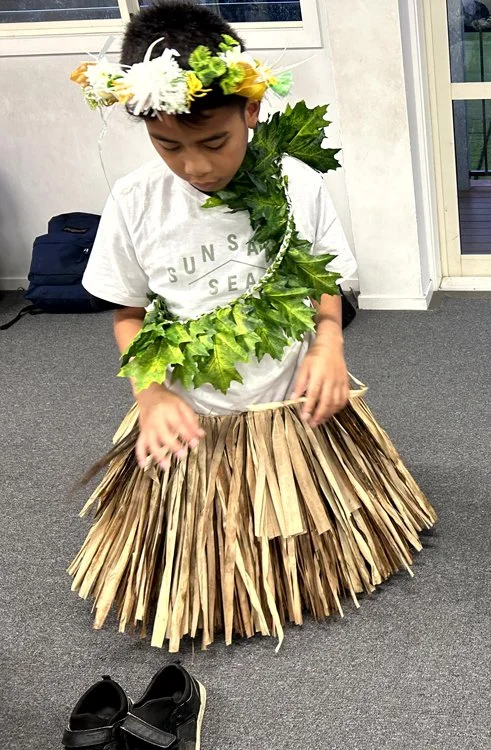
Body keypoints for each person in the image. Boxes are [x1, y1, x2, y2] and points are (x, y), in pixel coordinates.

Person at [68, 0, 436, 655]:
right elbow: (127, 311)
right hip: (194, 415)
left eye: (213, 142)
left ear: (251, 110)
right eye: (168, 146)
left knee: (313, 546)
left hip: (290, 403)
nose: (196, 166)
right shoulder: (135, 201)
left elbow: (324, 277)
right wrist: (149, 396)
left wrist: (329, 341)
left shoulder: (295, 183)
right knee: (202, 560)